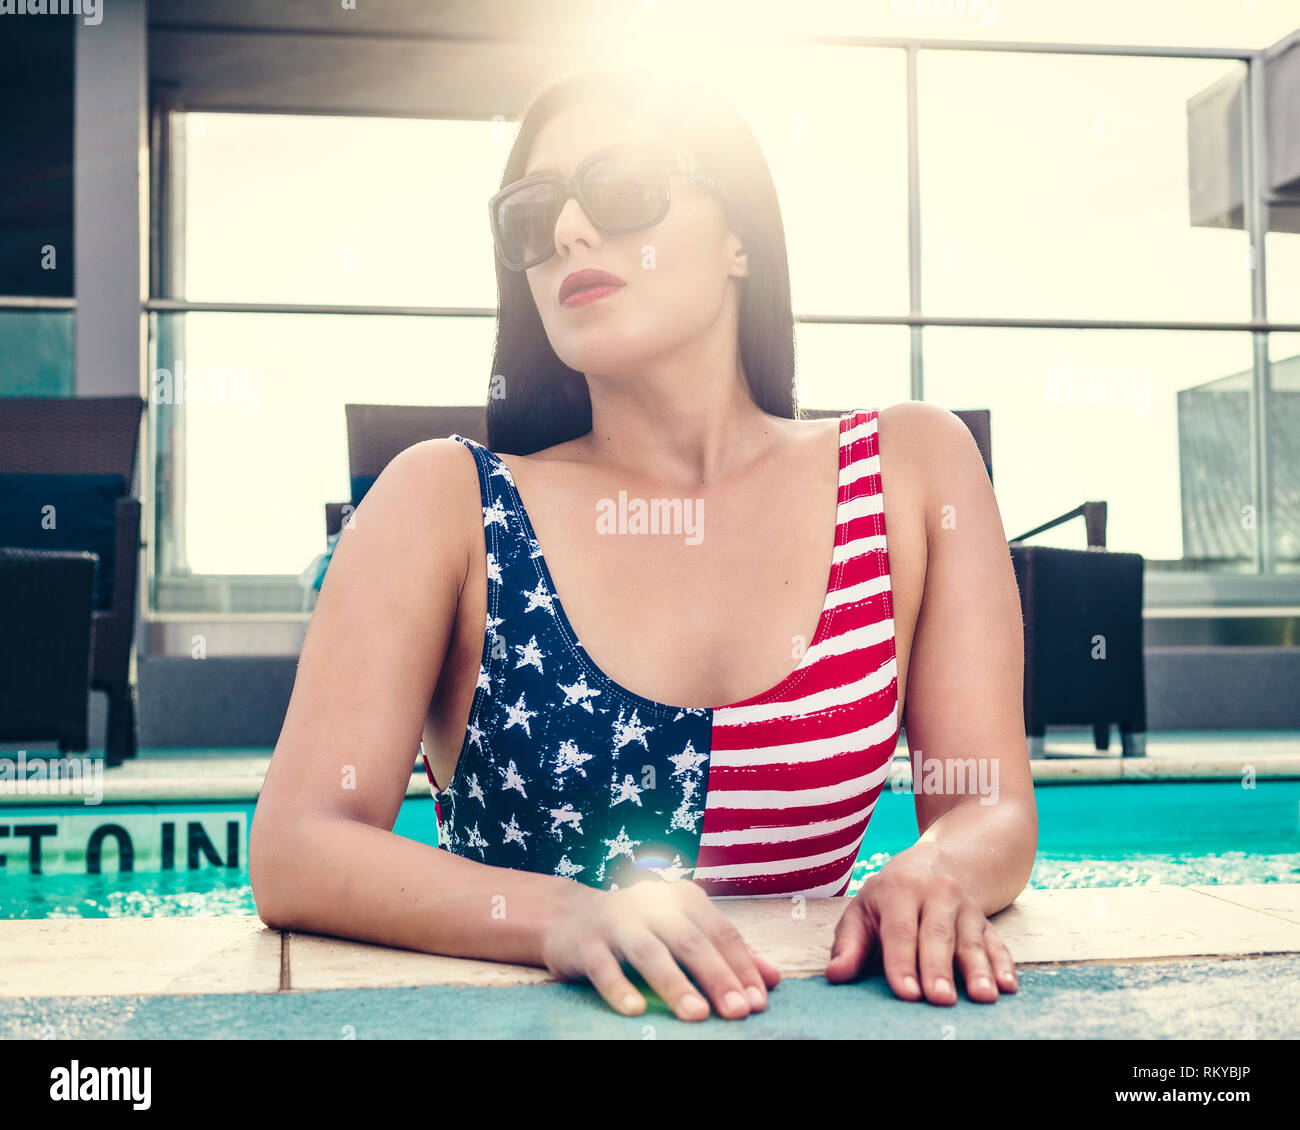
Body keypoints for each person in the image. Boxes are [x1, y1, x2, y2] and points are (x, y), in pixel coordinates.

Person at [250, 66, 1037, 1023]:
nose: (571, 232)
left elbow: (989, 804)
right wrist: (561, 918)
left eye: (621, 188)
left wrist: (934, 870)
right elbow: (295, 846)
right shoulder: (446, 504)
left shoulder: (911, 470)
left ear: (740, 235)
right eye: (532, 216)